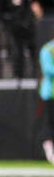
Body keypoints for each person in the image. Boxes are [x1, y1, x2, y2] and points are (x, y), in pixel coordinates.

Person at [40, 36, 54, 166]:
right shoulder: (48, 49)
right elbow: (48, 70)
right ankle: (50, 150)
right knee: (50, 122)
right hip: (50, 93)